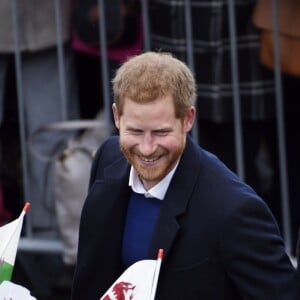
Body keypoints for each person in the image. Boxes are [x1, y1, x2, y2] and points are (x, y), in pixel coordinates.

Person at [71, 52, 299, 300]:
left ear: (188, 119)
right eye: (135, 131)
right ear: (116, 116)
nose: (147, 148)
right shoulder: (108, 158)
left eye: (160, 132)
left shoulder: (233, 210)